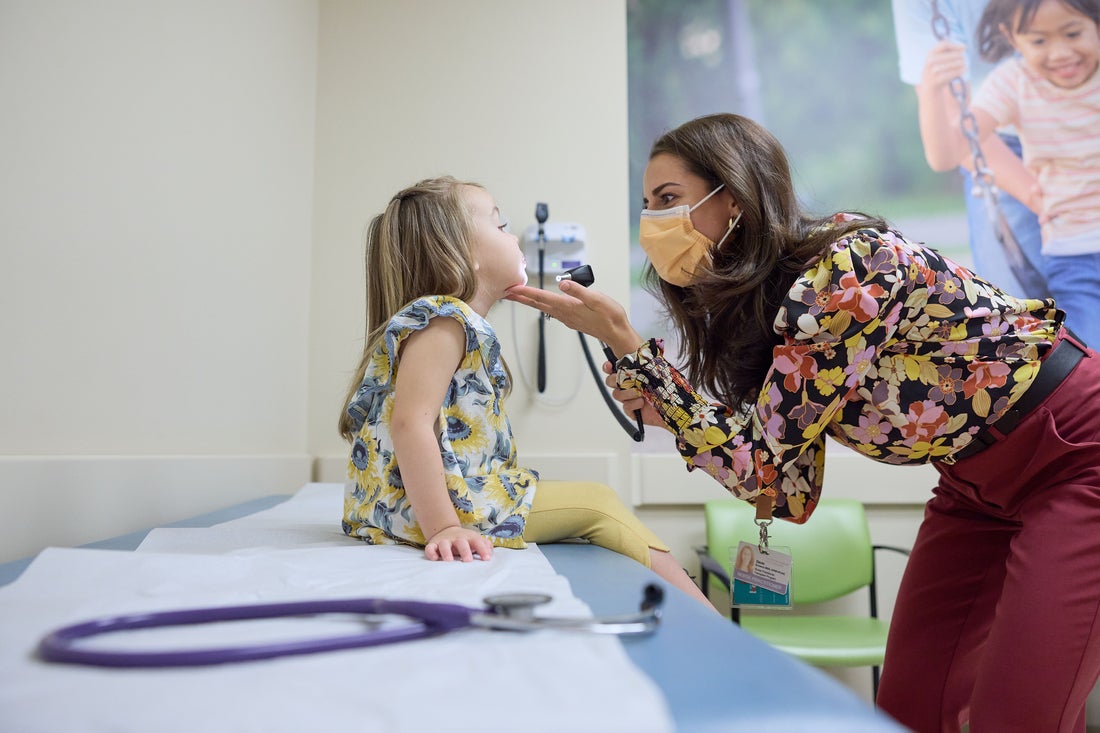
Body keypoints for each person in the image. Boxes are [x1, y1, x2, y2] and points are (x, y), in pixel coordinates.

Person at [505, 112, 1100, 732]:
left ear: (731, 198)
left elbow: (761, 463)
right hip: (973, 483)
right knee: (911, 705)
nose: (652, 221)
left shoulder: (846, 270)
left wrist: (633, 351)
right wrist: (671, 411)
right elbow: (784, 490)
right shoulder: (769, 311)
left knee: (1019, 715)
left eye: (669, 199)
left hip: (1077, 455)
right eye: (648, 203)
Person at [336, 175, 715, 610]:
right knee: (599, 504)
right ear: (460, 252)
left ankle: (696, 607)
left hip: (424, 501)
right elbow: (410, 423)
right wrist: (443, 527)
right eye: (499, 226)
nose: (512, 235)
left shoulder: (450, 324)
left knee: (590, 499)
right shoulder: (444, 322)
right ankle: (705, 615)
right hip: (430, 508)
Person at [917, 0, 1100, 347]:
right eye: (1038, 41)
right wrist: (931, 91)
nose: (1060, 52)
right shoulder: (1014, 83)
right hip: (1076, 258)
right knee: (1090, 354)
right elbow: (948, 154)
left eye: (1073, 33)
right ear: (1012, 39)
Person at [892, 0, 1048, 299]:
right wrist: (1044, 200)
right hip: (994, 143)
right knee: (1017, 307)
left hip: (1083, 129)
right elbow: (953, 132)